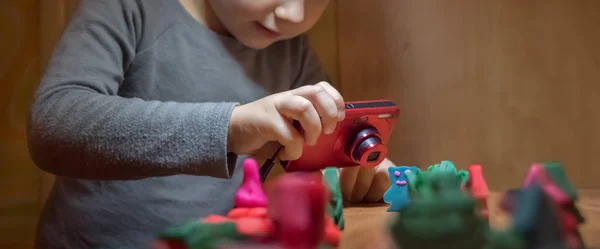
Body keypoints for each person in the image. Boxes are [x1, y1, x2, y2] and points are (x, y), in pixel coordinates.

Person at [27, 0, 395, 248]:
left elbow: (321, 154)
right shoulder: (130, 7)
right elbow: (54, 122)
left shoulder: (291, 50)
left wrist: (357, 171)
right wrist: (231, 127)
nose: (294, 14)